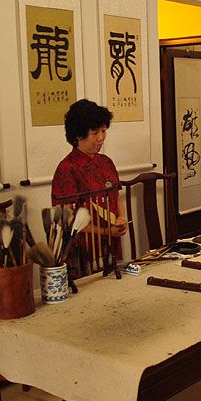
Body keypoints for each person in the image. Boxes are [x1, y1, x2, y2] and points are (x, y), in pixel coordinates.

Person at [51, 99, 127, 275]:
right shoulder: (67, 169)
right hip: (84, 251)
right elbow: (67, 219)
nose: (101, 137)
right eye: (95, 133)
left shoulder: (106, 162)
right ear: (78, 135)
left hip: (111, 245)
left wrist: (121, 218)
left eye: (103, 131)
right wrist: (105, 231)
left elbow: (117, 197)